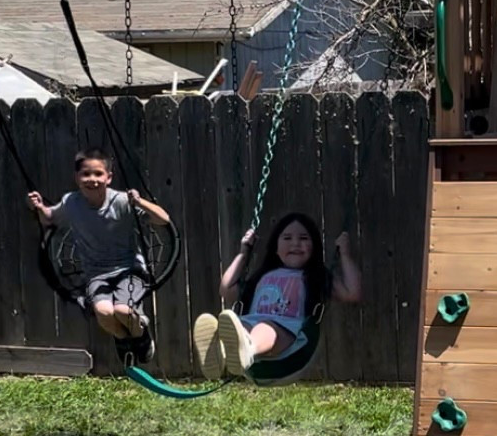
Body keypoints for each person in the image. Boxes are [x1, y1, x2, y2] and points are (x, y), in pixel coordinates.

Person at [27, 150, 170, 360]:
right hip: (96, 274)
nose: (92, 180)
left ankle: (141, 334)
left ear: (108, 177)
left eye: (98, 174)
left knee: (122, 310)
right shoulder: (71, 202)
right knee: (103, 313)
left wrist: (139, 202)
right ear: (77, 178)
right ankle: (122, 339)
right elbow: (50, 219)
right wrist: (38, 207)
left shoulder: (122, 201)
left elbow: (163, 219)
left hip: (130, 270)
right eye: (86, 174)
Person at [191, 212, 362, 380]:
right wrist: (244, 253)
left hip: (291, 338)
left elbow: (352, 293)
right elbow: (226, 289)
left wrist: (345, 255)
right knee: (240, 324)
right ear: (276, 248)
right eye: (287, 238)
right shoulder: (262, 275)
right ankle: (221, 354)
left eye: (303, 238)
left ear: (314, 246)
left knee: (266, 327)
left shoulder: (315, 277)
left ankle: (248, 348)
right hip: (252, 323)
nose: (295, 243)